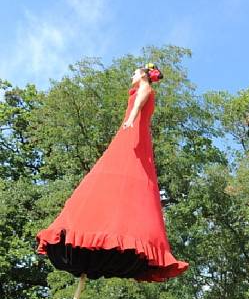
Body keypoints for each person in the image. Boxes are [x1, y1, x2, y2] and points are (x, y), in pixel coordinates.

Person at [36, 64, 188, 281]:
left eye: (135, 72)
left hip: (133, 133)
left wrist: (129, 121)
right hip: (134, 133)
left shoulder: (145, 89)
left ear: (144, 74)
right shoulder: (142, 89)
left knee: (117, 171)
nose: (132, 75)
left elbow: (138, 104)